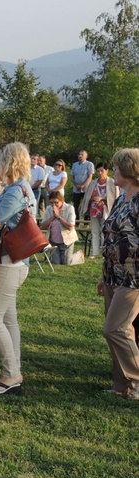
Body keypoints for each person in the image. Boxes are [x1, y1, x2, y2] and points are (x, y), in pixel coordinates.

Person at [0, 143, 36, 395]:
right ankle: (15, 370)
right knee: (8, 319)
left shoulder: (15, 191)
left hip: (8, 263)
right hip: (13, 262)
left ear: (8, 162)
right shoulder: (21, 188)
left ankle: (11, 374)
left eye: (0, 161)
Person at [98, 148, 139, 401]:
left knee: (115, 329)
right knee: (123, 331)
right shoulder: (121, 198)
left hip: (134, 277)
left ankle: (136, 379)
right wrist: (104, 276)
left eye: (115, 167)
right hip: (113, 274)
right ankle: (121, 385)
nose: (112, 171)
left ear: (128, 170)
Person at [80, 163, 118, 258]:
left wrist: (102, 198)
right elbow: (88, 196)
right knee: (94, 231)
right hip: (94, 209)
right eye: (98, 171)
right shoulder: (93, 182)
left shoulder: (113, 182)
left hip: (106, 209)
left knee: (104, 231)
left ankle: (104, 252)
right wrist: (93, 199)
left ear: (107, 171)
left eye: (102, 171)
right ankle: (95, 252)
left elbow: (115, 198)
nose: (100, 173)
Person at [40, 191, 77, 265]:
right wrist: (53, 217)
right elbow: (42, 226)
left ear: (62, 200)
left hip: (67, 241)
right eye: (51, 203)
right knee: (56, 263)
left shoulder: (69, 208)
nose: (53, 205)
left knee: (66, 263)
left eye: (56, 202)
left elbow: (70, 227)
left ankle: (78, 256)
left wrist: (59, 217)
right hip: (54, 242)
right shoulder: (48, 209)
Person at [71, 150, 95, 219]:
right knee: (75, 205)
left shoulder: (89, 164)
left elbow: (90, 177)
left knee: (87, 205)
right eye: (79, 154)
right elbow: (72, 177)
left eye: (82, 154)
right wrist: (76, 185)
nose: (80, 156)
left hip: (86, 188)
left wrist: (82, 185)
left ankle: (86, 222)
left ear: (86, 156)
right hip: (76, 189)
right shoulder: (74, 165)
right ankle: (77, 220)